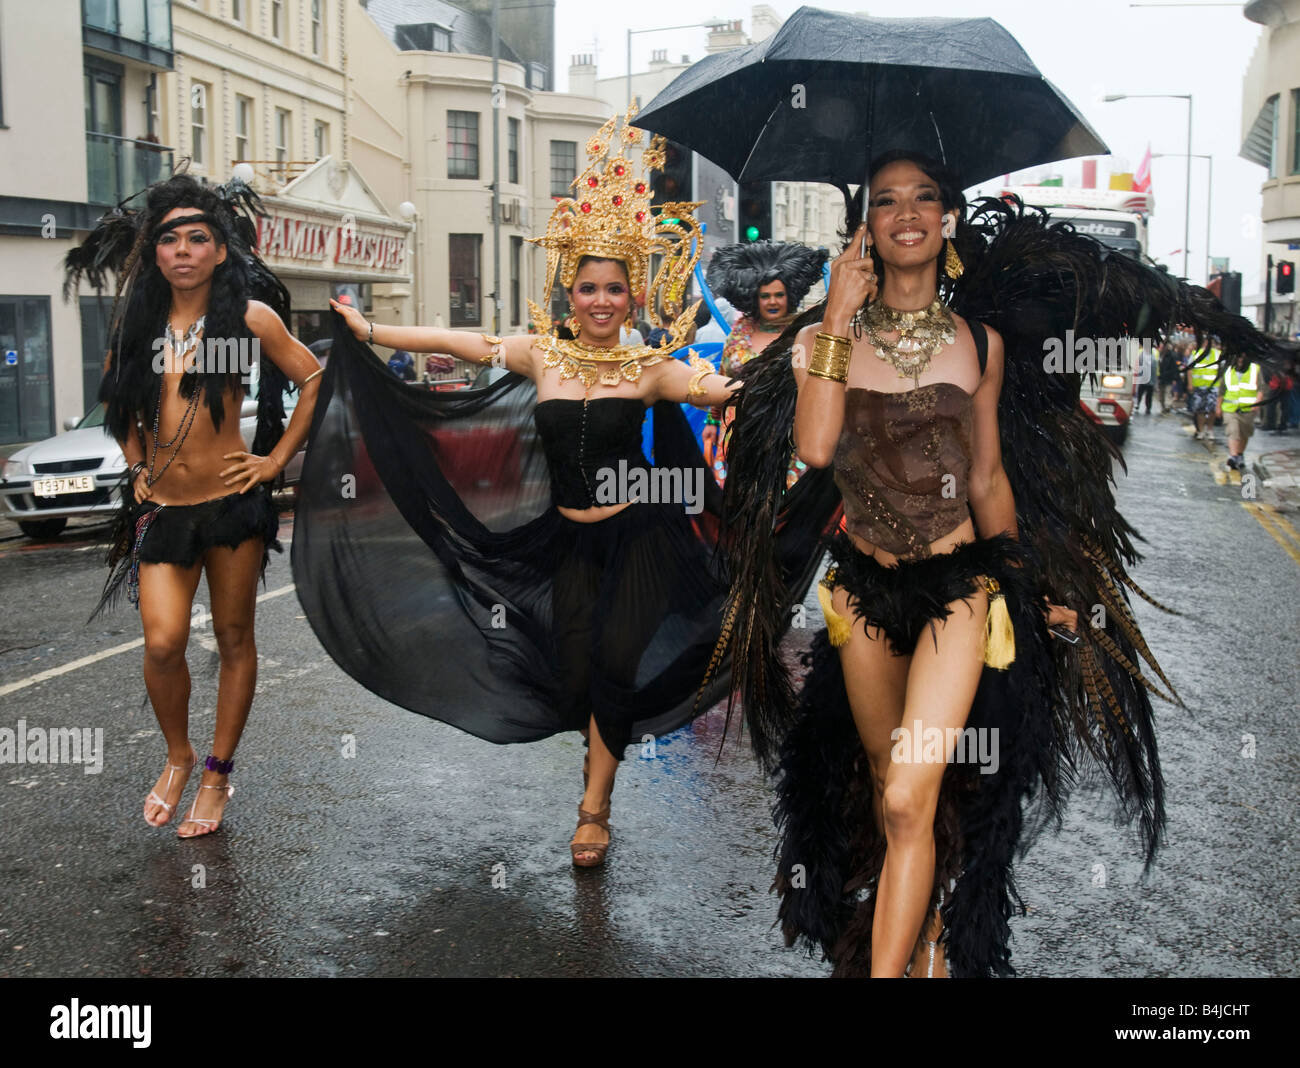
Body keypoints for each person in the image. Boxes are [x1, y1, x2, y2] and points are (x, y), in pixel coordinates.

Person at [713, 149, 1274, 977]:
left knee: (910, 792)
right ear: (866, 226)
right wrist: (833, 319)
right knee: (886, 784)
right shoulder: (823, 343)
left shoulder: (980, 345)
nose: (907, 213)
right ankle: (929, 922)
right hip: (861, 596)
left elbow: (985, 479)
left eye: (925, 198)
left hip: (959, 593)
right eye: (887, 201)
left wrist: (1027, 582)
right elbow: (816, 445)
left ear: (946, 220)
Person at [305, 109, 741, 868]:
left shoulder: (648, 367)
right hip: (565, 536)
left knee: (612, 658)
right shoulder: (543, 356)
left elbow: (707, 388)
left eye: (615, 289)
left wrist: (758, 371)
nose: (601, 301)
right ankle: (600, 745)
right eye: (588, 288)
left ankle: (593, 807)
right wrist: (371, 333)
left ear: (633, 297)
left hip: (637, 536)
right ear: (570, 292)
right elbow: (454, 341)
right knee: (576, 665)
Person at [63, 173, 322, 837]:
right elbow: (116, 396)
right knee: (163, 640)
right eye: (170, 238)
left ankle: (215, 772)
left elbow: (315, 379)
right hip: (167, 514)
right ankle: (177, 754)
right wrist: (135, 462)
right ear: (154, 252)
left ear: (219, 251)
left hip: (232, 507)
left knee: (235, 639)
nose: (182, 250)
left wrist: (272, 461)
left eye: (197, 238)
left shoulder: (248, 321)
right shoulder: (139, 324)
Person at [701, 241, 827, 484]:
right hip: (739, 437)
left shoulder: (806, 331)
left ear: (789, 296)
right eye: (765, 296)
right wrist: (712, 420)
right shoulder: (740, 331)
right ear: (754, 298)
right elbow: (724, 379)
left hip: (789, 438)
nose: (772, 302)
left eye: (779, 295)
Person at [1219, 353, 1262, 471]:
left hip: (1248, 409)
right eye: (1238, 356)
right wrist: (1218, 406)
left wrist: (1257, 403)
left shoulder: (1255, 369)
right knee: (1233, 431)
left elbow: (1261, 389)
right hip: (1230, 408)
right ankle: (1233, 456)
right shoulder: (1228, 370)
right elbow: (1222, 390)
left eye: (1243, 357)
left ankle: (1239, 454)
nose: (1240, 359)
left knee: (1244, 433)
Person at [1187, 342, 1221, 440]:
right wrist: (1190, 384)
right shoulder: (1196, 353)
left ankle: (1210, 430)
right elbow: (1189, 369)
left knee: (1212, 410)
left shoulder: (1218, 354)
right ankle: (1201, 431)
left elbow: (1222, 371)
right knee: (1200, 409)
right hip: (1199, 386)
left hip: (1214, 387)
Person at [1157, 340, 1179, 413]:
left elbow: (1175, 368)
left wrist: (1174, 378)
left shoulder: (1172, 355)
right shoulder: (1161, 355)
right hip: (1162, 377)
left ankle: (1167, 406)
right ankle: (1163, 406)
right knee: (1161, 393)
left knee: (1167, 392)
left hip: (1169, 377)